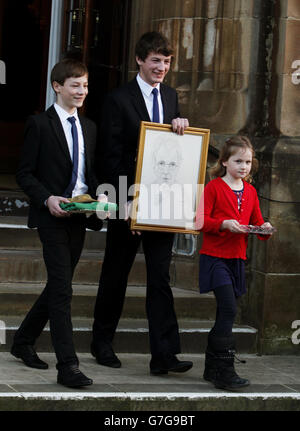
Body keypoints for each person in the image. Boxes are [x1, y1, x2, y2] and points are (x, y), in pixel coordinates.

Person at [92, 31, 193, 375]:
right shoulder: (118, 99)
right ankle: (101, 343)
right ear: (140, 60)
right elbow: (110, 156)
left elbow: (173, 152)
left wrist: (180, 125)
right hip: (127, 201)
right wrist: (128, 202)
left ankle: (163, 355)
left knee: (160, 278)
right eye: (155, 60)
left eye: (166, 62)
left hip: (163, 205)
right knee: (116, 274)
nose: (161, 67)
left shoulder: (171, 96)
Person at [11, 58, 103, 388]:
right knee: (63, 289)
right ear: (57, 87)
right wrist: (47, 198)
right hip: (51, 215)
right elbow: (24, 173)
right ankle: (69, 366)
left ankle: (22, 341)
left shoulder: (90, 127)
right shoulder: (39, 124)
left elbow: (87, 175)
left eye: (86, 85)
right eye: (75, 85)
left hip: (80, 216)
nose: (82, 91)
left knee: (57, 286)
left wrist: (100, 197)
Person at [196, 135, 273, 391]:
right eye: (238, 161)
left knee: (224, 312)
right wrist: (223, 224)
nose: (244, 166)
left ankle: (210, 366)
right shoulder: (214, 187)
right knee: (229, 309)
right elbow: (200, 221)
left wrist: (265, 228)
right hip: (215, 257)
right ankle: (225, 370)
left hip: (237, 259)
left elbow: (258, 223)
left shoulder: (250, 191)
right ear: (225, 162)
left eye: (248, 162)